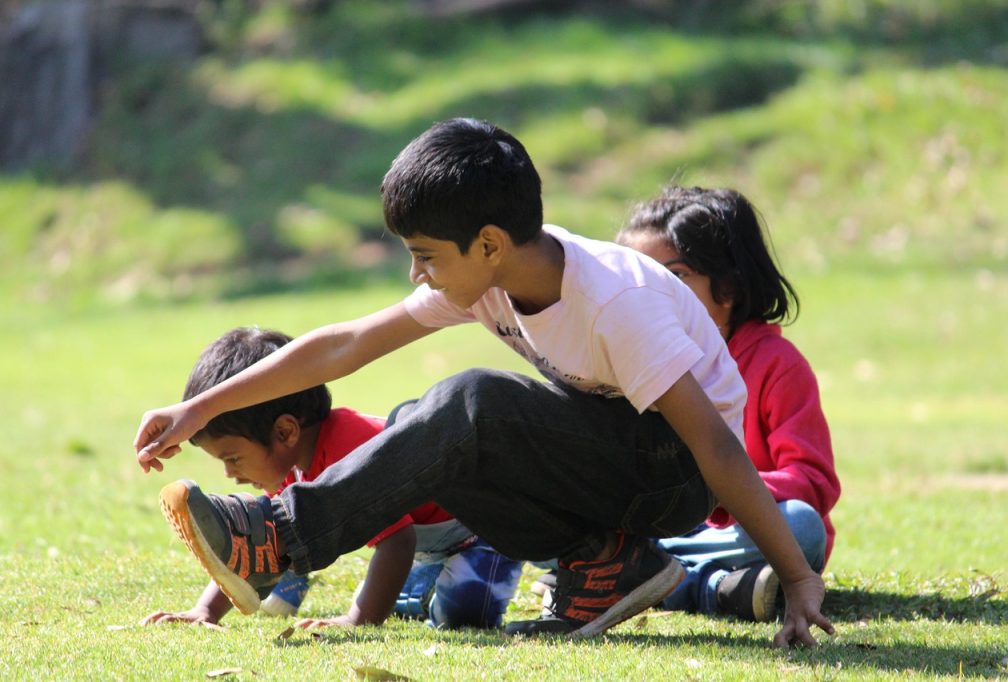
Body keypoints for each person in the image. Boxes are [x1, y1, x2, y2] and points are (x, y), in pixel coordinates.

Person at [133, 118, 834, 646]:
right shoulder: (488, 279)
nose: (417, 276)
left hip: (677, 470)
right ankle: (601, 568)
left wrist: (800, 577)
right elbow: (346, 344)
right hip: (617, 463)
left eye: (425, 256)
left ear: (490, 244)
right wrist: (200, 407)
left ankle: (278, 540)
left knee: (471, 401)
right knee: (423, 424)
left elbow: (713, 445)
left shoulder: (615, 303)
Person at [139, 326, 522, 630]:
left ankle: (556, 573)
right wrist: (205, 610)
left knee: (463, 617)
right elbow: (269, 540)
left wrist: (359, 620)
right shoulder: (290, 463)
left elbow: (397, 540)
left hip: (481, 533)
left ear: (286, 431)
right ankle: (416, 585)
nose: (229, 474)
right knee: (295, 536)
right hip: (428, 544)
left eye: (234, 457)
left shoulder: (349, 449)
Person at [611, 185, 841, 622]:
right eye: (636, 279)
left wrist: (727, 493)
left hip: (743, 529)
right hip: (663, 529)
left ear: (728, 288)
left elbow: (814, 481)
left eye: (674, 278)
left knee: (803, 526)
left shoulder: (778, 365)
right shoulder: (628, 358)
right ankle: (714, 590)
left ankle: (640, 577)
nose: (650, 297)